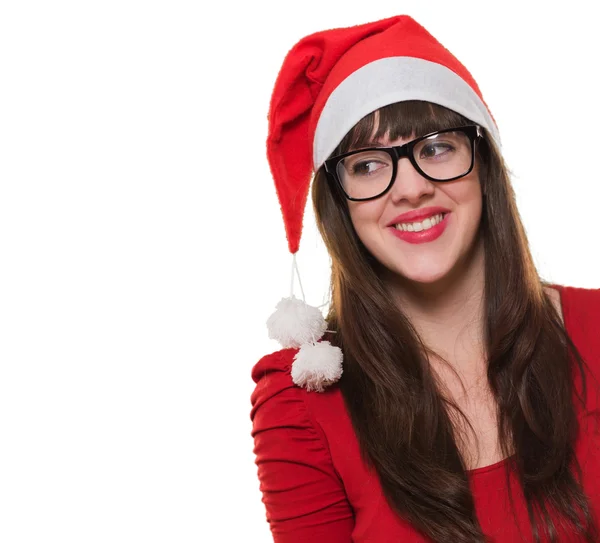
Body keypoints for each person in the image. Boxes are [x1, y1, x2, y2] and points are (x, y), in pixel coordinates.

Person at [249, 14, 600, 543]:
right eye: (367, 164)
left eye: (436, 147)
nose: (410, 188)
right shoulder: (300, 403)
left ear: (482, 164)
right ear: (339, 204)